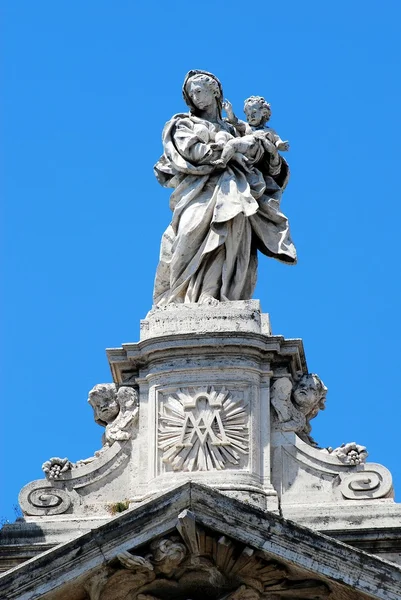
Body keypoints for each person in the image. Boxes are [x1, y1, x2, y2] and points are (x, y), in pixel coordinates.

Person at [153, 70, 296, 306]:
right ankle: (177, 296)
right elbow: (190, 152)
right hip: (198, 192)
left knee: (229, 238)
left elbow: (270, 166)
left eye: (199, 90)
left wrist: (258, 148)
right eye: (191, 93)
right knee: (188, 232)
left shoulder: (236, 129)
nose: (195, 96)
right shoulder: (184, 123)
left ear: (215, 91)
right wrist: (229, 153)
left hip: (235, 191)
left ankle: (213, 294)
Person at [211, 96, 289, 171]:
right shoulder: (246, 125)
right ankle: (221, 143)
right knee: (222, 133)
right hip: (243, 143)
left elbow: (277, 140)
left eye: (254, 112)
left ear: (264, 112)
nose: (251, 116)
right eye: (247, 115)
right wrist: (229, 111)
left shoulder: (269, 131)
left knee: (233, 143)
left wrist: (280, 145)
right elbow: (234, 121)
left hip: (253, 147)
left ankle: (223, 161)